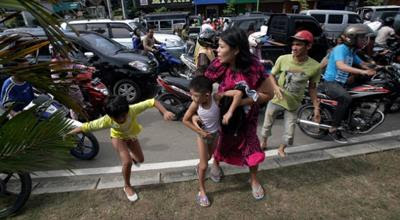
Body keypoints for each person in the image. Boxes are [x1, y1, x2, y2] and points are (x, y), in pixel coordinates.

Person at [196, 27, 275, 200]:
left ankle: (253, 180)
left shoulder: (254, 67)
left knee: (251, 148)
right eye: (218, 46)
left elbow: (268, 95)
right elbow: (202, 89)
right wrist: (196, 111)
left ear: (236, 49)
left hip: (247, 119)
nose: (217, 50)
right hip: (223, 116)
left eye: (222, 47)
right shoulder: (218, 64)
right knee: (221, 142)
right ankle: (216, 164)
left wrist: (240, 102)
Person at [67, 96, 175, 202]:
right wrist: (69, 133)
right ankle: (127, 186)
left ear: (127, 110)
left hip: (131, 136)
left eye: (124, 115)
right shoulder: (106, 120)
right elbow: (86, 126)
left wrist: (165, 112)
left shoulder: (132, 110)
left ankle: (131, 157)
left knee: (140, 159)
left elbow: (152, 101)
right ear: (110, 116)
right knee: (127, 162)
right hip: (118, 138)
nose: (121, 119)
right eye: (117, 118)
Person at [182, 75, 243, 207]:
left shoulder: (216, 97)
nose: (192, 98)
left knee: (209, 157)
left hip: (215, 135)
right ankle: (202, 191)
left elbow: (238, 93)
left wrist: (230, 112)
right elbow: (185, 120)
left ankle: (199, 167)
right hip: (202, 136)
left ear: (207, 95)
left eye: (195, 95)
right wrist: (200, 132)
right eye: (192, 94)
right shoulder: (195, 104)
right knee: (205, 166)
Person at [260, 30, 321, 157]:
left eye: (298, 45)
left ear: (308, 46)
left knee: (290, 130)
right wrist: (275, 87)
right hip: (276, 99)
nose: (294, 47)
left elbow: (312, 88)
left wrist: (316, 108)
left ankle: (282, 148)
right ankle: (263, 142)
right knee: (267, 124)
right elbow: (271, 75)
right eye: (293, 44)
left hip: (293, 103)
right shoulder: (283, 59)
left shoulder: (315, 66)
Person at [322, 24, 376, 143]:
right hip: (331, 82)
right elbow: (341, 65)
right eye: (362, 38)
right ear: (352, 38)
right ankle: (333, 129)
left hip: (342, 83)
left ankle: (348, 121)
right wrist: (363, 72)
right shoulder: (340, 49)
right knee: (346, 98)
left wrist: (379, 67)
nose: (364, 41)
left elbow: (362, 64)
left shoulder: (351, 51)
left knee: (360, 94)